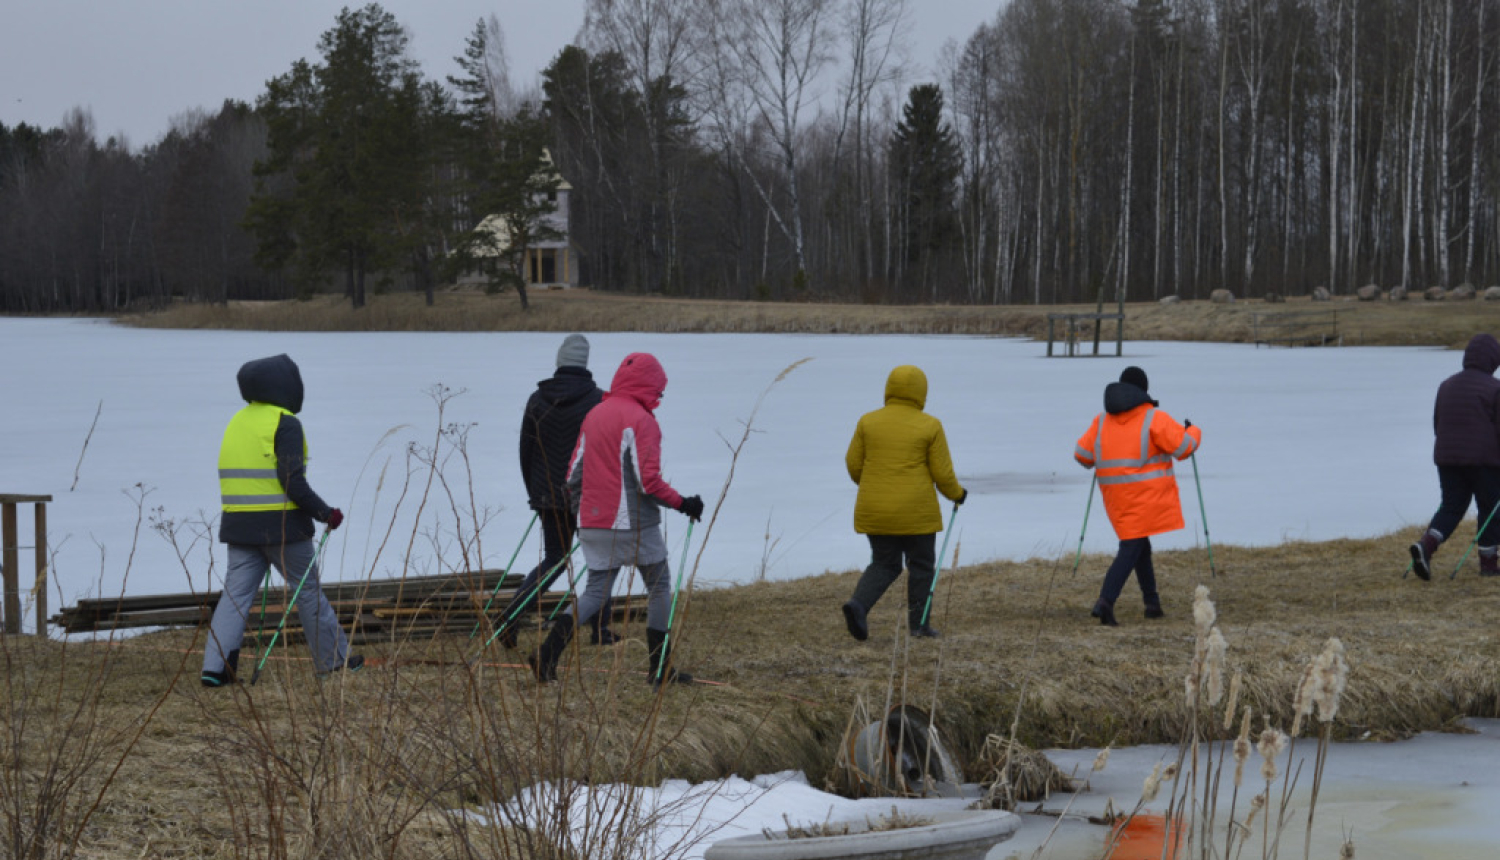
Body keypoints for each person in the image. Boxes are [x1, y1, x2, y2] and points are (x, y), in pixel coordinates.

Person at [529, 352, 705, 686]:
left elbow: (572, 474)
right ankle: (659, 669)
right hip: (632, 525)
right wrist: (685, 503)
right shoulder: (642, 421)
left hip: (591, 523)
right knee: (659, 586)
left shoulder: (595, 414)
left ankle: (547, 654)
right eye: (659, 389)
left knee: (595, 592)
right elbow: (648, 483)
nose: (660, 396)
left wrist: (584, 511)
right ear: (648, 385)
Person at [202, 354, 359, 686]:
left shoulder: (237, 421)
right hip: (284, 529)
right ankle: (333, 663)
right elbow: (292, 480)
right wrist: (325, 513)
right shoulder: (285, 422)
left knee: (234, 598)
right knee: (308, 591)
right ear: (286, 386)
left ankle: (215, 669)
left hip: (239, 528)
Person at [494, 334, 615, 649]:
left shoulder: (537, 399)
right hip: (589, 495)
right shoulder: (599, 400)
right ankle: (600, 630)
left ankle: (509, 616)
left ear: (560, 362)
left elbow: (526, 450)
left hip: (547, 493)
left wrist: (536, 493)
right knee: (601, 558)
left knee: (555, 558)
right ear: (584, 364)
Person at [840, 365, 967, 642]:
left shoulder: (867, 422)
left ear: (889, 389)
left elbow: (853, 465)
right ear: (922, 392)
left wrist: (874, 485)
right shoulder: (930, 425)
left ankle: (858, 605)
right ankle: (919, 627)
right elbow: (942, 474)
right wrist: (957, 494)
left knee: (884, 563)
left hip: (876, 510)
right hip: (917, 513)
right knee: (921, 566)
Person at [1073, 366, 1201, 626]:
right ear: (1143, 390)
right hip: (1145, 496)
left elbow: (1082, 456)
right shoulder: (1154, 417)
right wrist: (1193, 431)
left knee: (1140, 545)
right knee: (1131, 547)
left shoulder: (1101, 421)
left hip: (1115, 497)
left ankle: (1152, 604)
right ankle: (1105, 602)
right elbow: (1184, 448)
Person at [1409, 333, 1500, 579]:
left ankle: (1426, 546)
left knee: (1452, 505)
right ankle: (1489, 564)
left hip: (1447, 457)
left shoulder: (1446, 384)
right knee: (1490, 507)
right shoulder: (1495, 388)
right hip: (1484, 461)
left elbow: (1438, 423)